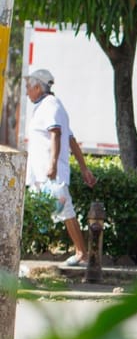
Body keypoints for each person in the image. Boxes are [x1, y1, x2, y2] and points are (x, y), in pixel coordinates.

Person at [24, 69, 97, 266]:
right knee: (43, 212)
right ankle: (26, 251)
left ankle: (81, 252)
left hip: (51, 174)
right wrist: (84, 169)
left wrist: (53, 165)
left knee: (66, 211)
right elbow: (71, 139)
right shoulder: (47, 107)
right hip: (42, 174)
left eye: (28, 88)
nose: (26, 93)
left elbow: (56, 133)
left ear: (38, 87)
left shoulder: (50, 105)